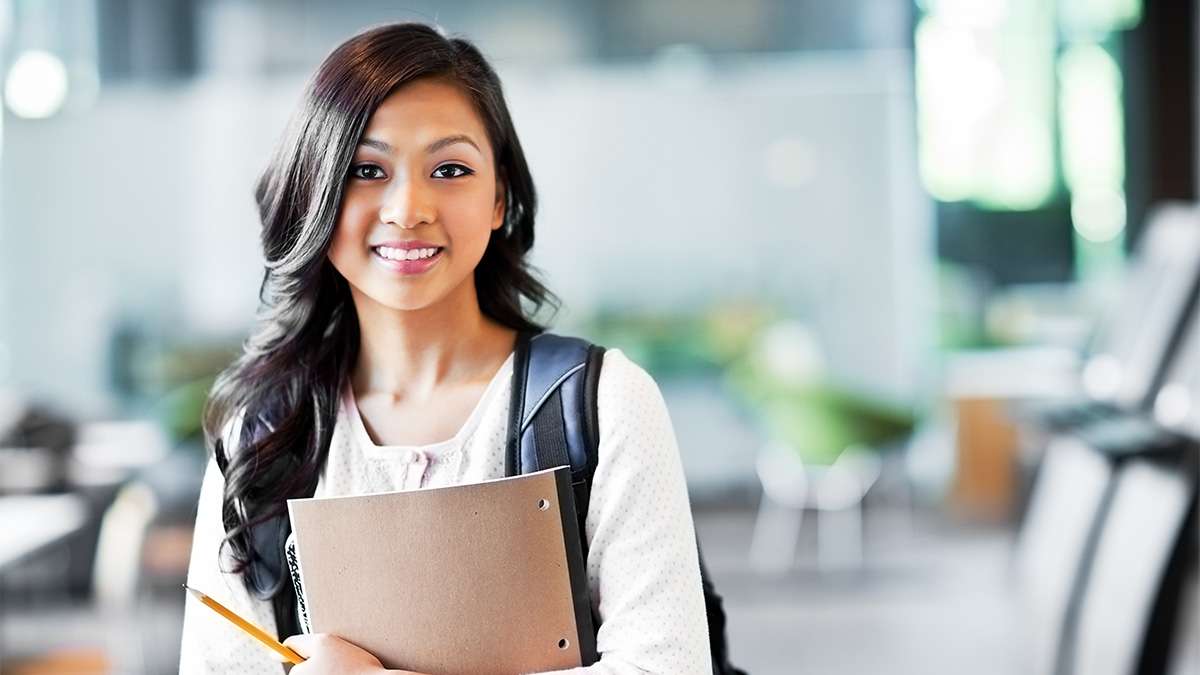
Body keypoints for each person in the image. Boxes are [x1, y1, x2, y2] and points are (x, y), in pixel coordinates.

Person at [178, 22, 711, 675]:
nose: (409, 208)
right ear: (315, 189)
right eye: (366, 170)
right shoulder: (261, 437)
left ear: (499, 198)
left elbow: (667, 665)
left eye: (450, 168)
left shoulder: (603, 402)